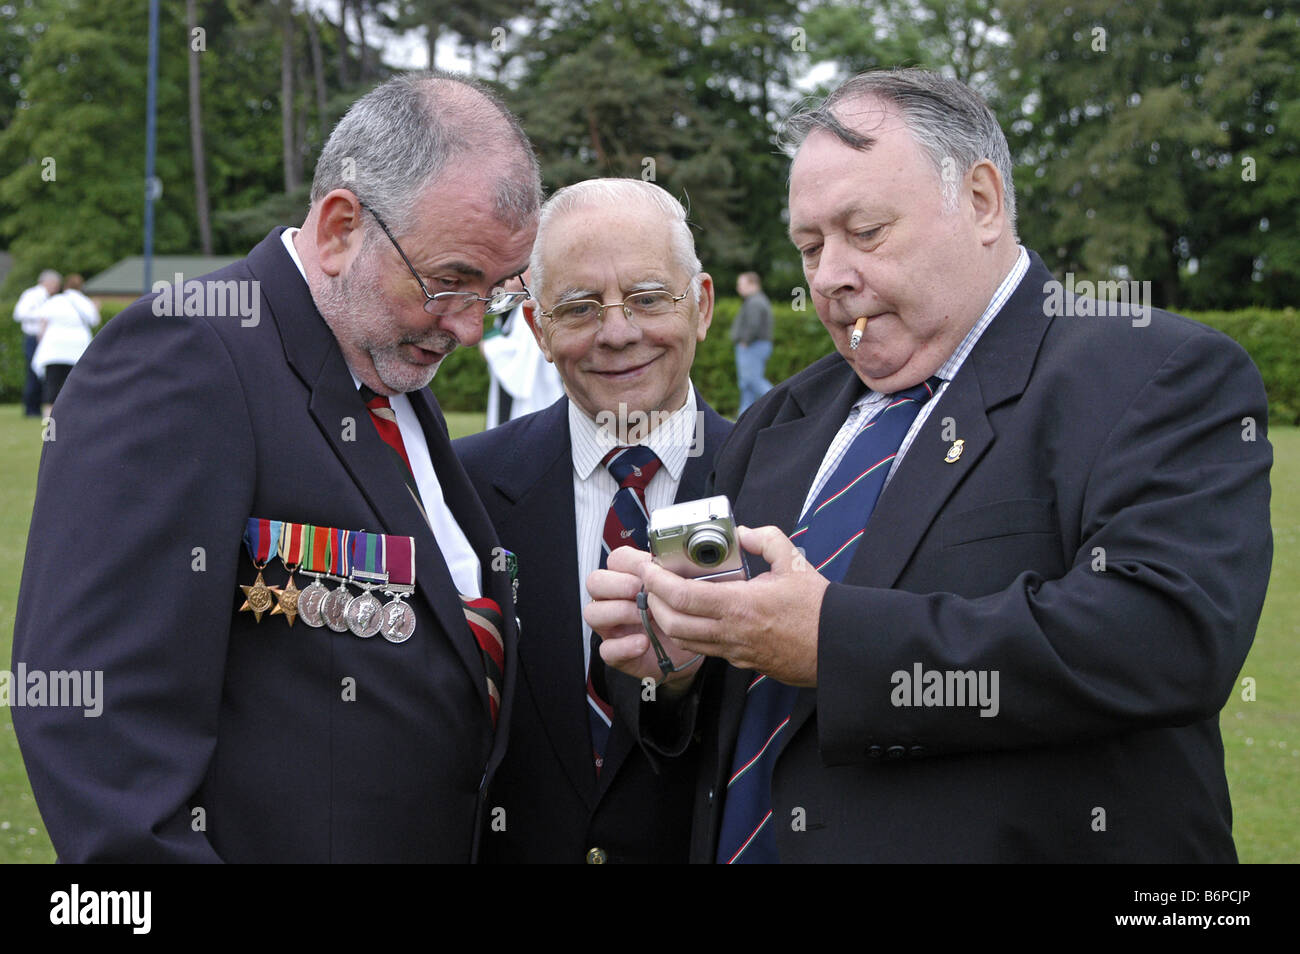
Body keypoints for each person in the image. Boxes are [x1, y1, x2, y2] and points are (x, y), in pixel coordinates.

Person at [586, 68, 1272, 863]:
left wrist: (832, 641)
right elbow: (716, 721)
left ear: (981, 201)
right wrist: (673, 667)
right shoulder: (778, 420)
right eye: (809, 246)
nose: (828, 276)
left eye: (865, 231)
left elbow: (1165, 638)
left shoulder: (1159, 373)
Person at [12, 72, 541, 862]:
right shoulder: (186, 357)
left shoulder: (389, 370)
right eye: (449, 282)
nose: (468, 328)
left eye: (496, 293)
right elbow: (103, 740)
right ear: (338, 228)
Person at [456, 179, 731, 863]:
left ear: (699, 306)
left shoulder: (778, 483)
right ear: (538, 330)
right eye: (579, 308)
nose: (617, 332)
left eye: (646, 298)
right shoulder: (465, 489)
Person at [480, 269, 564, 428]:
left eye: (516, 274)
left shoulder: (533, 305)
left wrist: (487, 348)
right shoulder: (510, 306)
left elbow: (523, 354)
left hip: (539, 390)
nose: (506, 281)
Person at [31, 273, 100, 416]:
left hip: (54, 347)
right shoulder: (85, 302)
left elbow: (43, 322)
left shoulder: (55, 300)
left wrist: (40, 342)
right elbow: (94, 321)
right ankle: (74, 415)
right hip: (77, 348)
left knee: (52, 382)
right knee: (75, 383)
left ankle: (49, 417)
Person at [13, 269, 60, 417]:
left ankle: (40, 407)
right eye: (56, 284)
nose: (57, 288)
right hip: (33, 338)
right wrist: (43, 315)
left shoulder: (50, 298)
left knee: (44, 374)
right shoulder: (32, 295)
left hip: (46, 339)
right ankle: (31, 409)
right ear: (48, 282)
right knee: (33, 372)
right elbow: (19, 314)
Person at [730, 271, 774, 414]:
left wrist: (745, 341)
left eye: (741, 284)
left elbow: (753, 325)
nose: (738, 288)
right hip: (755, 345)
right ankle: (744, 416)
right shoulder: (756, 300)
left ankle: (778, 402)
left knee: (753, 381)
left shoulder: (755, 302)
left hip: (753, 346)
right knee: (747, 385)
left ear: (752, 284)